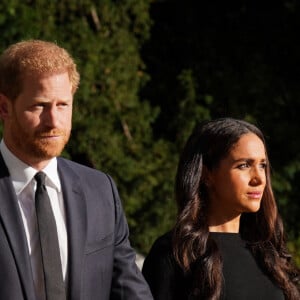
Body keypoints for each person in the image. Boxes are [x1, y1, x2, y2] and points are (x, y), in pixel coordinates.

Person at [0, 39, 153, 300]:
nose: (53, 121)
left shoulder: (100, 190)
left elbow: (128, 288)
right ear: (4, 107)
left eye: (63, 105)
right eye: (39, 106)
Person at [142, 118, 300, 300]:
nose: (259, 178)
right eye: (244, 165)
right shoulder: (175, 254)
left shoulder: (269, 251)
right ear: (207, 174)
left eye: (262, 165)